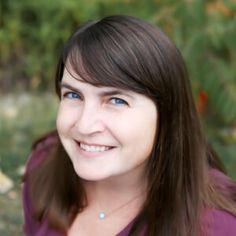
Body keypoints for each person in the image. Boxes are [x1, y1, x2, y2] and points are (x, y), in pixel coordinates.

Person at [22, 15, 236, 236]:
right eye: (74, 95)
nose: (85, 126)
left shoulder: (217, 227)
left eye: (116, 100)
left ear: (167, 114)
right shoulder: (43, 167)